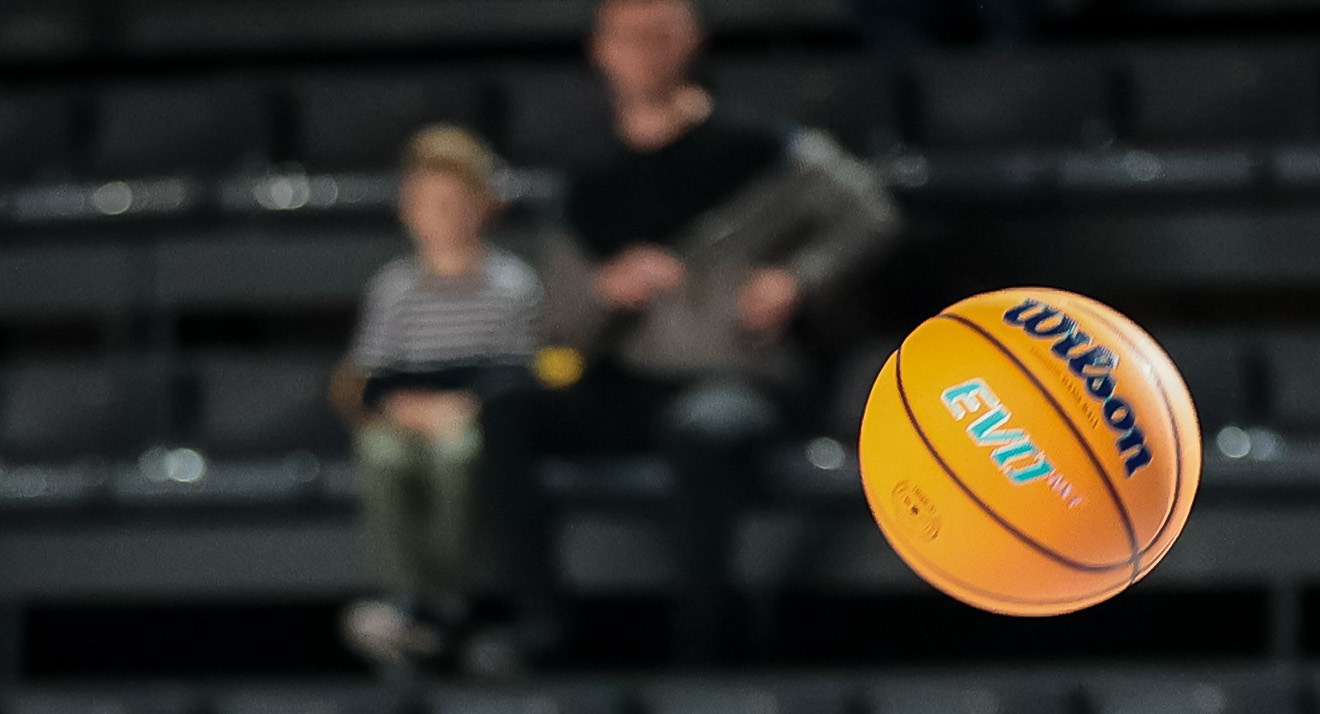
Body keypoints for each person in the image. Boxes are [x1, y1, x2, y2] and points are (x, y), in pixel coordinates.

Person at [492, 0, 897, 663]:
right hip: (634, 377)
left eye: (662, 35)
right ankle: (539, 622)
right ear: (601, 50)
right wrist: (607, 290)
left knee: (701, 431)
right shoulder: (588, 184)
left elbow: (870, 213)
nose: (645, 51)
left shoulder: (764, 152)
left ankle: (705, 634)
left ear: (691, 43)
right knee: (507, 408)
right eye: (630, 37)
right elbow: (555, 325)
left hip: (741, 374)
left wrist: (798, 278)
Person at [333, 127, 546, 673]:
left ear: (484, 206)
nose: (443, 215)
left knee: (457, 456)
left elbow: (519, 373)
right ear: (408, 209)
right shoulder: (393, 288)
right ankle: (408, 597)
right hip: (406, 417)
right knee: (382, 456)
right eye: (430, 203)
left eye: (456, 202)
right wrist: (399, 408)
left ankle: (450, 601)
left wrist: (461, 407)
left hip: (472, 417)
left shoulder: (513, 286)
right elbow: (366, 378)